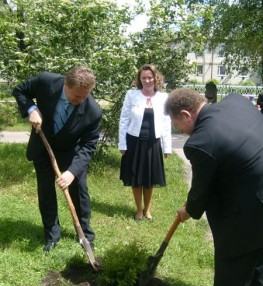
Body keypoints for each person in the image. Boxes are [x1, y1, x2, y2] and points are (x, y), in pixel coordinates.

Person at [164, 88, 263, 286]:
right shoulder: (236, 102)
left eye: (177, 124)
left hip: (251, 205)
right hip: (255, 184)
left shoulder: (201, 141)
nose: (179, 130)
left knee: (233, 259)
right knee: (260, 257)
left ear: (187, 114)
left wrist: (188, 210)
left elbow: (200, 192)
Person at [13, 66, 102, 252]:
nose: (81, 100)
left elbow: (88, 146)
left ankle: (85, 234)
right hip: (43, 145)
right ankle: (52, 235)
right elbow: (20, 90)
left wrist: (71, 173)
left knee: (80, 192)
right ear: (65, 84)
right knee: (46, 191)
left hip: (71, 152)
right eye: (77, 96)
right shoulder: (46, 81)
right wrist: (32, 109)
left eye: (85, 96)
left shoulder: (92, 111)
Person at [118, 63, 172, 221]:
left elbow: (166, 122)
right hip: (134, 141)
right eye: (144, 78)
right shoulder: (131, 95)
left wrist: (167, 147)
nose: (147, 80)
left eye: (150, 77)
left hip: (153, 143)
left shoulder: (163, 98)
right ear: (139, 80)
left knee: (149, 179)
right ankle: (138, 210)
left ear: (156, 78)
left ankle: (147, 209)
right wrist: (122, 144)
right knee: (136, 178)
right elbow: (124, 119)